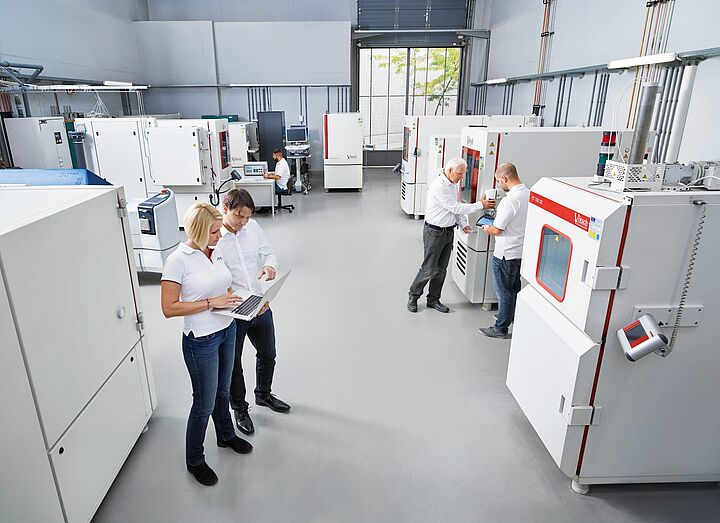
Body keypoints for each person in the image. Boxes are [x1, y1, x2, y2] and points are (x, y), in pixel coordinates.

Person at [160, 203, 253, 487]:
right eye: (213, 231)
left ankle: (225, 435)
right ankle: (195, 460)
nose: (219, 235)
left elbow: (222, 284)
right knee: (203, 403)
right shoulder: (178, 260)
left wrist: (234, 297)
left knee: (222, 392)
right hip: (201, 341)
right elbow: (169, 308)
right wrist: (212, 303)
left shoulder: (217, 249)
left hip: (227, 329)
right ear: (198, 231)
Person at [216, 188, 291, 437]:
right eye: (239, 216)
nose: (243, 222)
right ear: (225, 208)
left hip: (260, 303)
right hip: (233, 312)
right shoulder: (213, 236)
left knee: (268, 353)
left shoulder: (253, 228)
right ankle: (239, 408)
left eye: (247, 217)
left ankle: (264, 394)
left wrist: (269, 267)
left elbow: (268, 253)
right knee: (234, 364)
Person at [408, 157, 494, 313]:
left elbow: (457, 206)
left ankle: (433, 299)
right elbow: (455, 207)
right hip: (434, 232)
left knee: (441, 269)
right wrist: (481, 205)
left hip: (448, 232)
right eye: (460, 174)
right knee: (428, 268)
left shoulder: (453, 185)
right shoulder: (438, 187)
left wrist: (463, 224)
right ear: (449, 170)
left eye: (463, 174)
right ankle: (413, 296)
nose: (462, 177)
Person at [478, 163, 529, 339]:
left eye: (499, 180)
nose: (499, 184)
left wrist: (486, 227)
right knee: (514, 288)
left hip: (505, 254)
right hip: (520, 252)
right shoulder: (528, 194)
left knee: (503, 291)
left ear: (505, 178)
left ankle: (500, 328)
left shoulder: (509, 201)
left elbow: (497, 229)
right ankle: (509, 316)